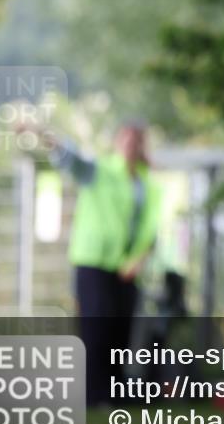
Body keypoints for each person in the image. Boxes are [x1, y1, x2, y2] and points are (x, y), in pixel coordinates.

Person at [21, 120, 163, 407]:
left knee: (120, 333)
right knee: (96, 331)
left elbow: (150, 229)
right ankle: (90, 395)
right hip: (93, 263)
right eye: (125, 140)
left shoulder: (147, 183)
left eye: (135, 141)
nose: (129, 146)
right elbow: (69, 156)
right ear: (116, 143)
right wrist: (40, 133)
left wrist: (138, 260)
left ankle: (112, 395)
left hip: (125, 268)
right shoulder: (100, 171)